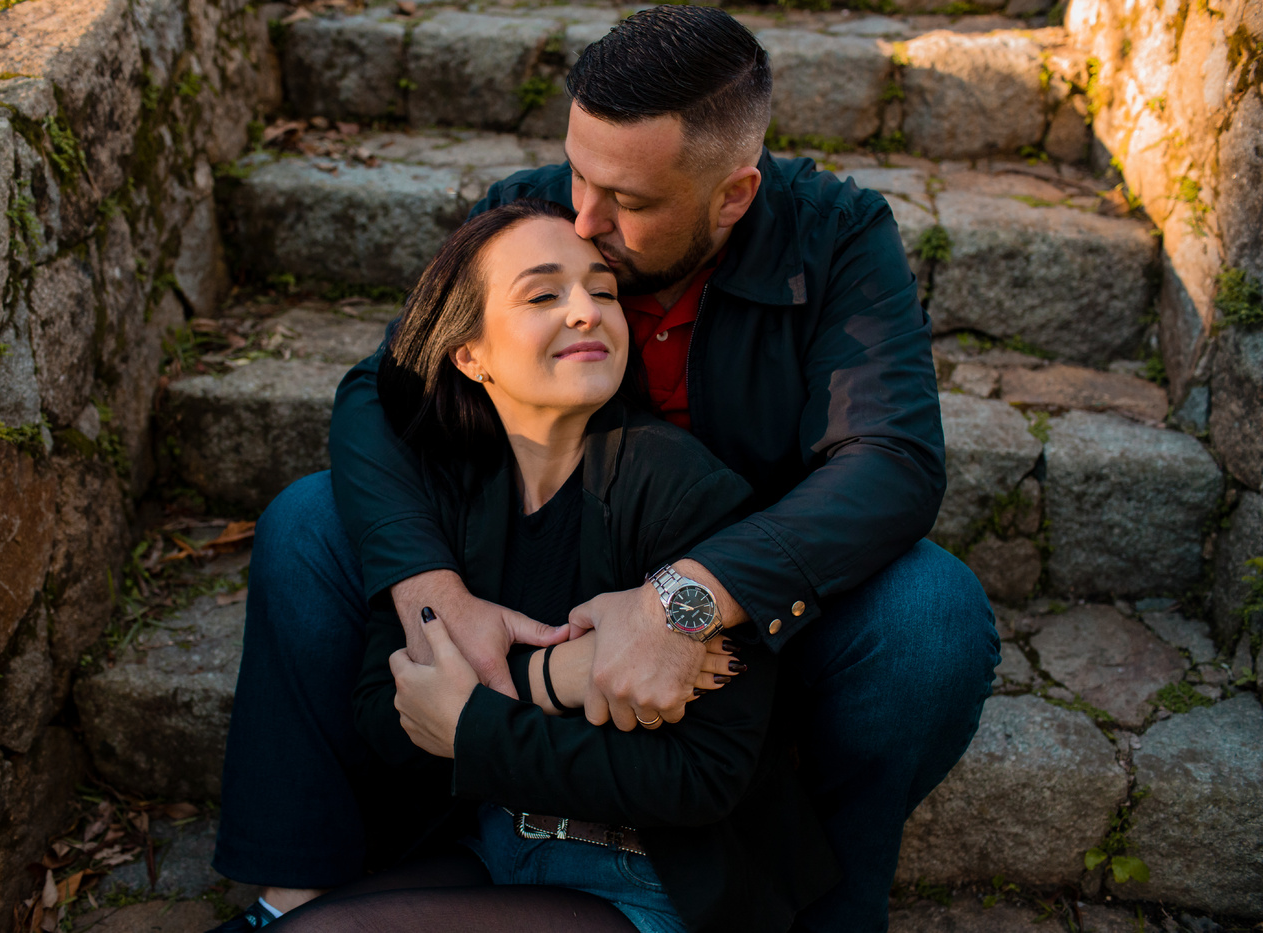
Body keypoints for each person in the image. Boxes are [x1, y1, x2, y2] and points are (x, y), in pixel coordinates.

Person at [212, 7, 999, 932]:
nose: (582, 217)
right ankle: (302, 879)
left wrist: (683, 599)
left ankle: (821, 909)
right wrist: (432, 591)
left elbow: (891, 461)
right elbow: (385, 387)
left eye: (626, 199)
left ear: (733, 195)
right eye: (578, 171)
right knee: (310, 521)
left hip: (748, 608)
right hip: (541, 579)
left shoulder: (835, 236)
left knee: (929, 615)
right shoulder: (538, 208)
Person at [261, 198, 834, 933]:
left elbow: (704, 775)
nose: (587, 311)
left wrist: (477, 724)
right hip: (499, 849)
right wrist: (558, 675)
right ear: (469, 354)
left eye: (603, 291)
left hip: (652, 885)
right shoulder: (444, 490)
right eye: (542, 295)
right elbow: (387, 708)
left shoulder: (682, 490)